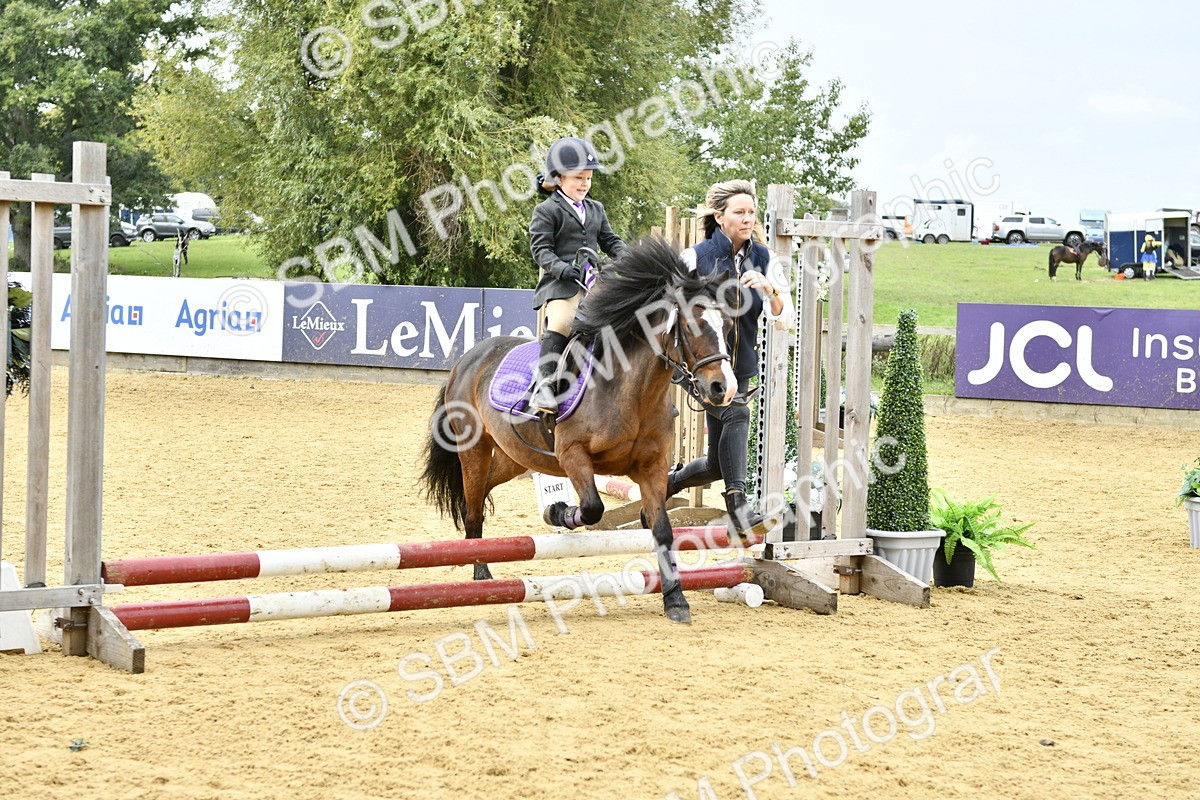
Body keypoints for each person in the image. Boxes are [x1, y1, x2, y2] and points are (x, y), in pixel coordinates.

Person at [665, 179, 795, 538]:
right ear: (719, 217)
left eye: (751, 212)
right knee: (737, 412)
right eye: (739, 212)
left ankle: (666, 485)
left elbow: (786, 319)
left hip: (741, 368)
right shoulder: (695, 257)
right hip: (699, 367)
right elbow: (666, 310)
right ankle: (738, 508)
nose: (747, 218)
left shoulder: (764, 258)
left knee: (716, 464)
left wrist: (771, 290)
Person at [528, 137, 629, 421]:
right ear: (559, 179)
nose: (584, 184)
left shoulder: (596, 208)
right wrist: (562, 268)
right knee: (561, 321)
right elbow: (541, 250)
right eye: (578, 178)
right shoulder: (546, 210)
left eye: (588, 178)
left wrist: (630, 258)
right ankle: (546, 384)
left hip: (595, 284)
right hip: (562, 286)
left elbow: (610, 241)